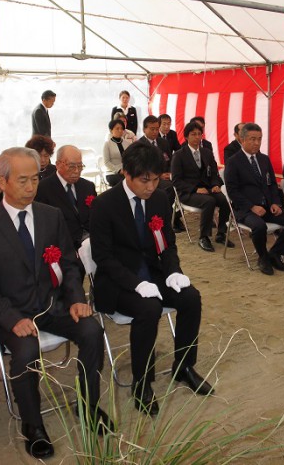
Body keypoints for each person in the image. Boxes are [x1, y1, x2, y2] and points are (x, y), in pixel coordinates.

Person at [0, 147, 111, 458]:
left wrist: (76, 298)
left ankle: (87, 405)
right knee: (26, 351)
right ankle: (33, 426)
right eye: (22, 181)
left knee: (92, 332)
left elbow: (70, 265)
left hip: (54, 306)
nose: (31, 187)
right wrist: (11, 319)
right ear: (2, 181)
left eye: (35, 179)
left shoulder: (51, 216)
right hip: (14, 313)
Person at [90, 141, 214, 417]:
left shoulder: (159, 198)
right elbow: (103, 257)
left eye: (156, 179)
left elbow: (167, 244)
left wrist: (173, 272)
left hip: (153, 274)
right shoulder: (104, 205)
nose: (150, 186)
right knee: (149, 309)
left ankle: (184, 367)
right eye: (144, 180)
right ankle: (142, 382)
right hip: (119, 281)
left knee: (191, 297)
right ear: (126, 174)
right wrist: (135, 284)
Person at [224, 123, 284, 275]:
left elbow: (272, 184)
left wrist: (276, 202)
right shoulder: (233, 162)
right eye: (252, 139)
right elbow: (232, 191)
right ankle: (263, 257)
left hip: (267, 205)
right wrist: (251, 207)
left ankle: (275, 253)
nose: (257, 143)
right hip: (245, 209)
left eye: (259, 139)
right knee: (259, 227)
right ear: (242, 139)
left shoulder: (264, 159)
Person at [171, 121, 233, 252]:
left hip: (207, 188)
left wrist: (216, 184)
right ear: (186, 136)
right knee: (209, 201)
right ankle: (204, 237)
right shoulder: (179, 155)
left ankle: (221, 233)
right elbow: (176, 181)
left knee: (224, 200)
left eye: (199, 134)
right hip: (188, 192)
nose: (197, 137)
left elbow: (215, 173)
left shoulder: (207, 153)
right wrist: (195, 189)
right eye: (193, 134)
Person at [35, 145, 96, 250]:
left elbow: (96, 216)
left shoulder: (88, 186)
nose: (77, 171)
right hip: (64, 246)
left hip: (92, 242)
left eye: (80, 166)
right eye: (72, 166)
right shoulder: (43, 188)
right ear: (58, 165)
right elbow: (43, 226)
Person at [139, 115, 182, 231]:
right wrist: (158, 176)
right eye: (152, 129)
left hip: (166, 175)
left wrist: (170, 173)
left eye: (157, 129)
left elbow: (169, 160)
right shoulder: (140, 145)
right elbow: (142, 167)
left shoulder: (163, 142)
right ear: (144, 129)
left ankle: (175, 217)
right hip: (149, 179)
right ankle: (165, 218)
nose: (155, 131)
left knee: (181, 183)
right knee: (170, 188)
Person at [103, 119, 131, 186]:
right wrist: (119, 170)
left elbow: (131, 159)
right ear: (111, 130)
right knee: (123, 182)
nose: (120, 131)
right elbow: (107, 162)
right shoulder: (107, 144)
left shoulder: (127, 143)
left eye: (121, 128)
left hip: (126, 172)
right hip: (112, 173)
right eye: (117, 129)